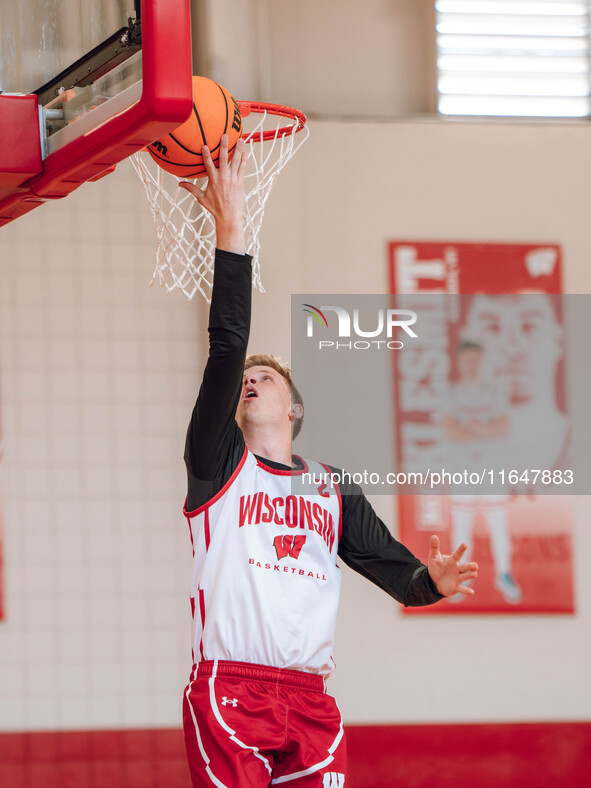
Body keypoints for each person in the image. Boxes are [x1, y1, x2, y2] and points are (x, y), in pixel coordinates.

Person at [179, 135, 479, 788]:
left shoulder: (330, 487)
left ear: (294, 411)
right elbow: (227, 345)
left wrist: (433, 583)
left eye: (268, 377)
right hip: (231, 690)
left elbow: (390, 569)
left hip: (310, 699)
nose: (251, 381)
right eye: (246, 381)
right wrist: (230, 231)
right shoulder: (217, 465)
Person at [443, 340, 521, 604]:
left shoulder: (493, 392)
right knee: (462, 527)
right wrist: (483, 430)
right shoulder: (451, 394)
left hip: (491, 469)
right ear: (459, 362)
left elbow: (503, 429)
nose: (472, 364)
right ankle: (462, 577)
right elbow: (450, 432)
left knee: (499, 526)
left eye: (476, 359)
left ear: (482, 361)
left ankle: (504, 574)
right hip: (462, 469)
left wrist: (472, 428)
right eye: (467, 359)